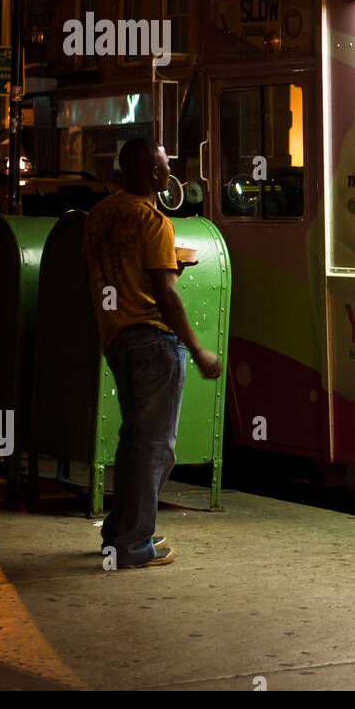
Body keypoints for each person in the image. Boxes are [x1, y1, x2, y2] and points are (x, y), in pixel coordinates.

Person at [83, 138, 223, 569]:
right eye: (163, 167)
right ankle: (132, 545)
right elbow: (164, 294)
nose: (168, 173)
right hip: (152, 339)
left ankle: (120, 534)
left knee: (136, 443)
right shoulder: (153, 220)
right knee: (155, 448)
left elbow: (117, 271)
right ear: (152, 173)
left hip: (116, 337)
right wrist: (198, 349)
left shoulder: (100, 215)